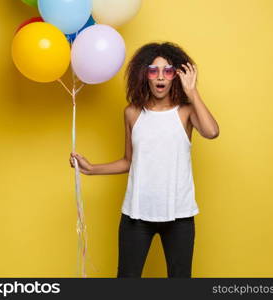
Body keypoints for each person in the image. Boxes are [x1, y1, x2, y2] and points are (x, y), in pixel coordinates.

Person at [69, 42, 219, 278]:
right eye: (153, 70)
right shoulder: (132, 113)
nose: (160, 77)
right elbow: (129, 161)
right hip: (136, 215)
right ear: (144, 75)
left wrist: (193, 93)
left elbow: (212, 132)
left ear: (176, 75)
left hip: (179, 215)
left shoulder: (186, 111)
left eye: (167, 70)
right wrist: (92, 169)